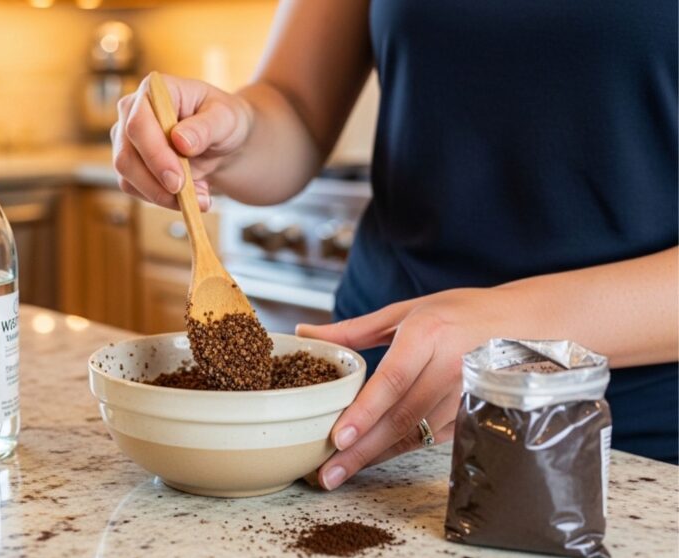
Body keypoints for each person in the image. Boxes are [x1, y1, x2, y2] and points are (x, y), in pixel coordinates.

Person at [110, 0, 678, 489]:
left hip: (632, 444)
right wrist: (233, 132)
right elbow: (295, 108)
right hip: (378, 419)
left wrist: (509, 328)